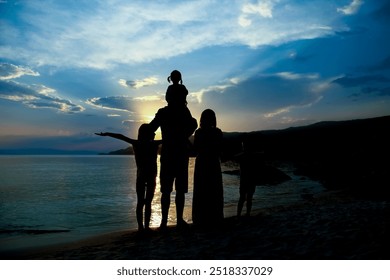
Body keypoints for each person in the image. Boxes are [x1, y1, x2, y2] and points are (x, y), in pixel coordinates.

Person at [95, 124, 162, 232]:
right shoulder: (153, 144)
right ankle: (145, 227)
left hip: (142, 176)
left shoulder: (138, 143)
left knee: (141, 202)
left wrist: (107, 134)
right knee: (147, 202)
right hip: (150, 176)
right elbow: (170, 139)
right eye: (152, 132)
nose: (154, 134)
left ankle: (141, 227)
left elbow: (121, 136)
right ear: (147, 134)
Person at [149, 105, 197, 229]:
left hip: (171, 153)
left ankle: (167, 220)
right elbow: (193, 124)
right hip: (179, 153)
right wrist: (184, 134)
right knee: (175, 190)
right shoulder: (182, 110)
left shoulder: (165, 111)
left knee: (169, 190)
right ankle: (174, 220)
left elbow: (151, 128)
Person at [192, 109, 224, 227]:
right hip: (213, 163)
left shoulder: (199, 132)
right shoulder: (218, 132)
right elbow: (220, 149)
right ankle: (215, 218)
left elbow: (195, 150)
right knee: (214, 190)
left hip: (201, 163)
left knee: (201, 191)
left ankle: (200, 219)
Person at [236, 134, 263, 218]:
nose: (244, 147)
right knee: (246, 198)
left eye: (244, 146)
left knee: (245, 198)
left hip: (248, 179)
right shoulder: (248, 155)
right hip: (248, 179)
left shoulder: (244, 156)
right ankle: (242, 214)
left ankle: (241, 215)